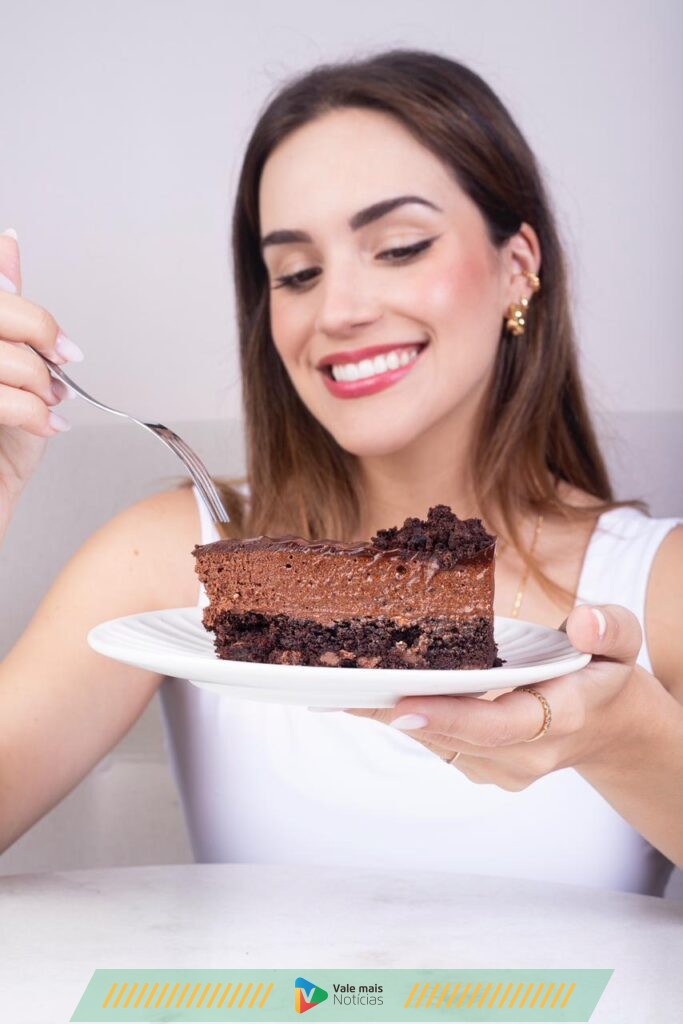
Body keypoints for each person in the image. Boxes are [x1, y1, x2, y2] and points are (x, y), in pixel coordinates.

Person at [0, 50, 681, 896]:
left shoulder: (656, 585)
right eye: (297, 273)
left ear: (518, 265)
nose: (339, 310)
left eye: (398, 248)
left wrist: (628, 739)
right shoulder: (172, 559)